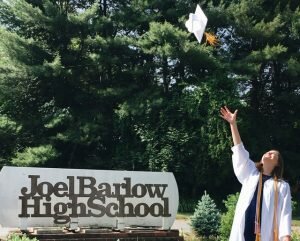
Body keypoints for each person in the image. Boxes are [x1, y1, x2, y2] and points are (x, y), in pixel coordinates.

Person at [220, 106, 292, 241]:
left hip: (265, 233)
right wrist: (233, 125)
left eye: (273, 154)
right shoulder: (251, 173)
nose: (269, 153)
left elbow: (285, 212)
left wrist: (286, 237)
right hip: (244, 230)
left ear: (277, 164)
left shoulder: (281, 186)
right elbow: (239, 151)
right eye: (268, 151)